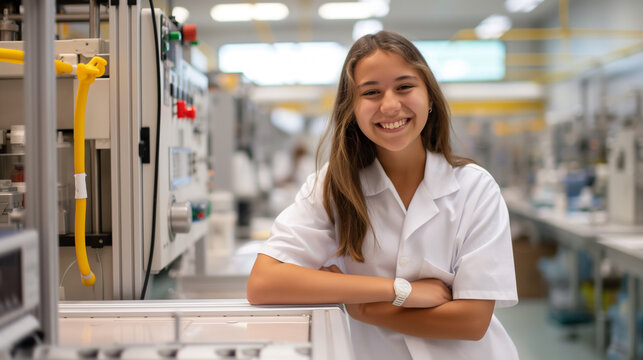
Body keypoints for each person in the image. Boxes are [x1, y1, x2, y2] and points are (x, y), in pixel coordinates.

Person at [247, 31, 518, 360]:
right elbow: (263, 283)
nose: (390, 105)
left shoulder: (475, 189)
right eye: (371, 92)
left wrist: (364, 309)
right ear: (353, 110)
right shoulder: (334, 186)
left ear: (430, 97)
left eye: (404, 87)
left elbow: (472, 322)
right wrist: (401, 291)